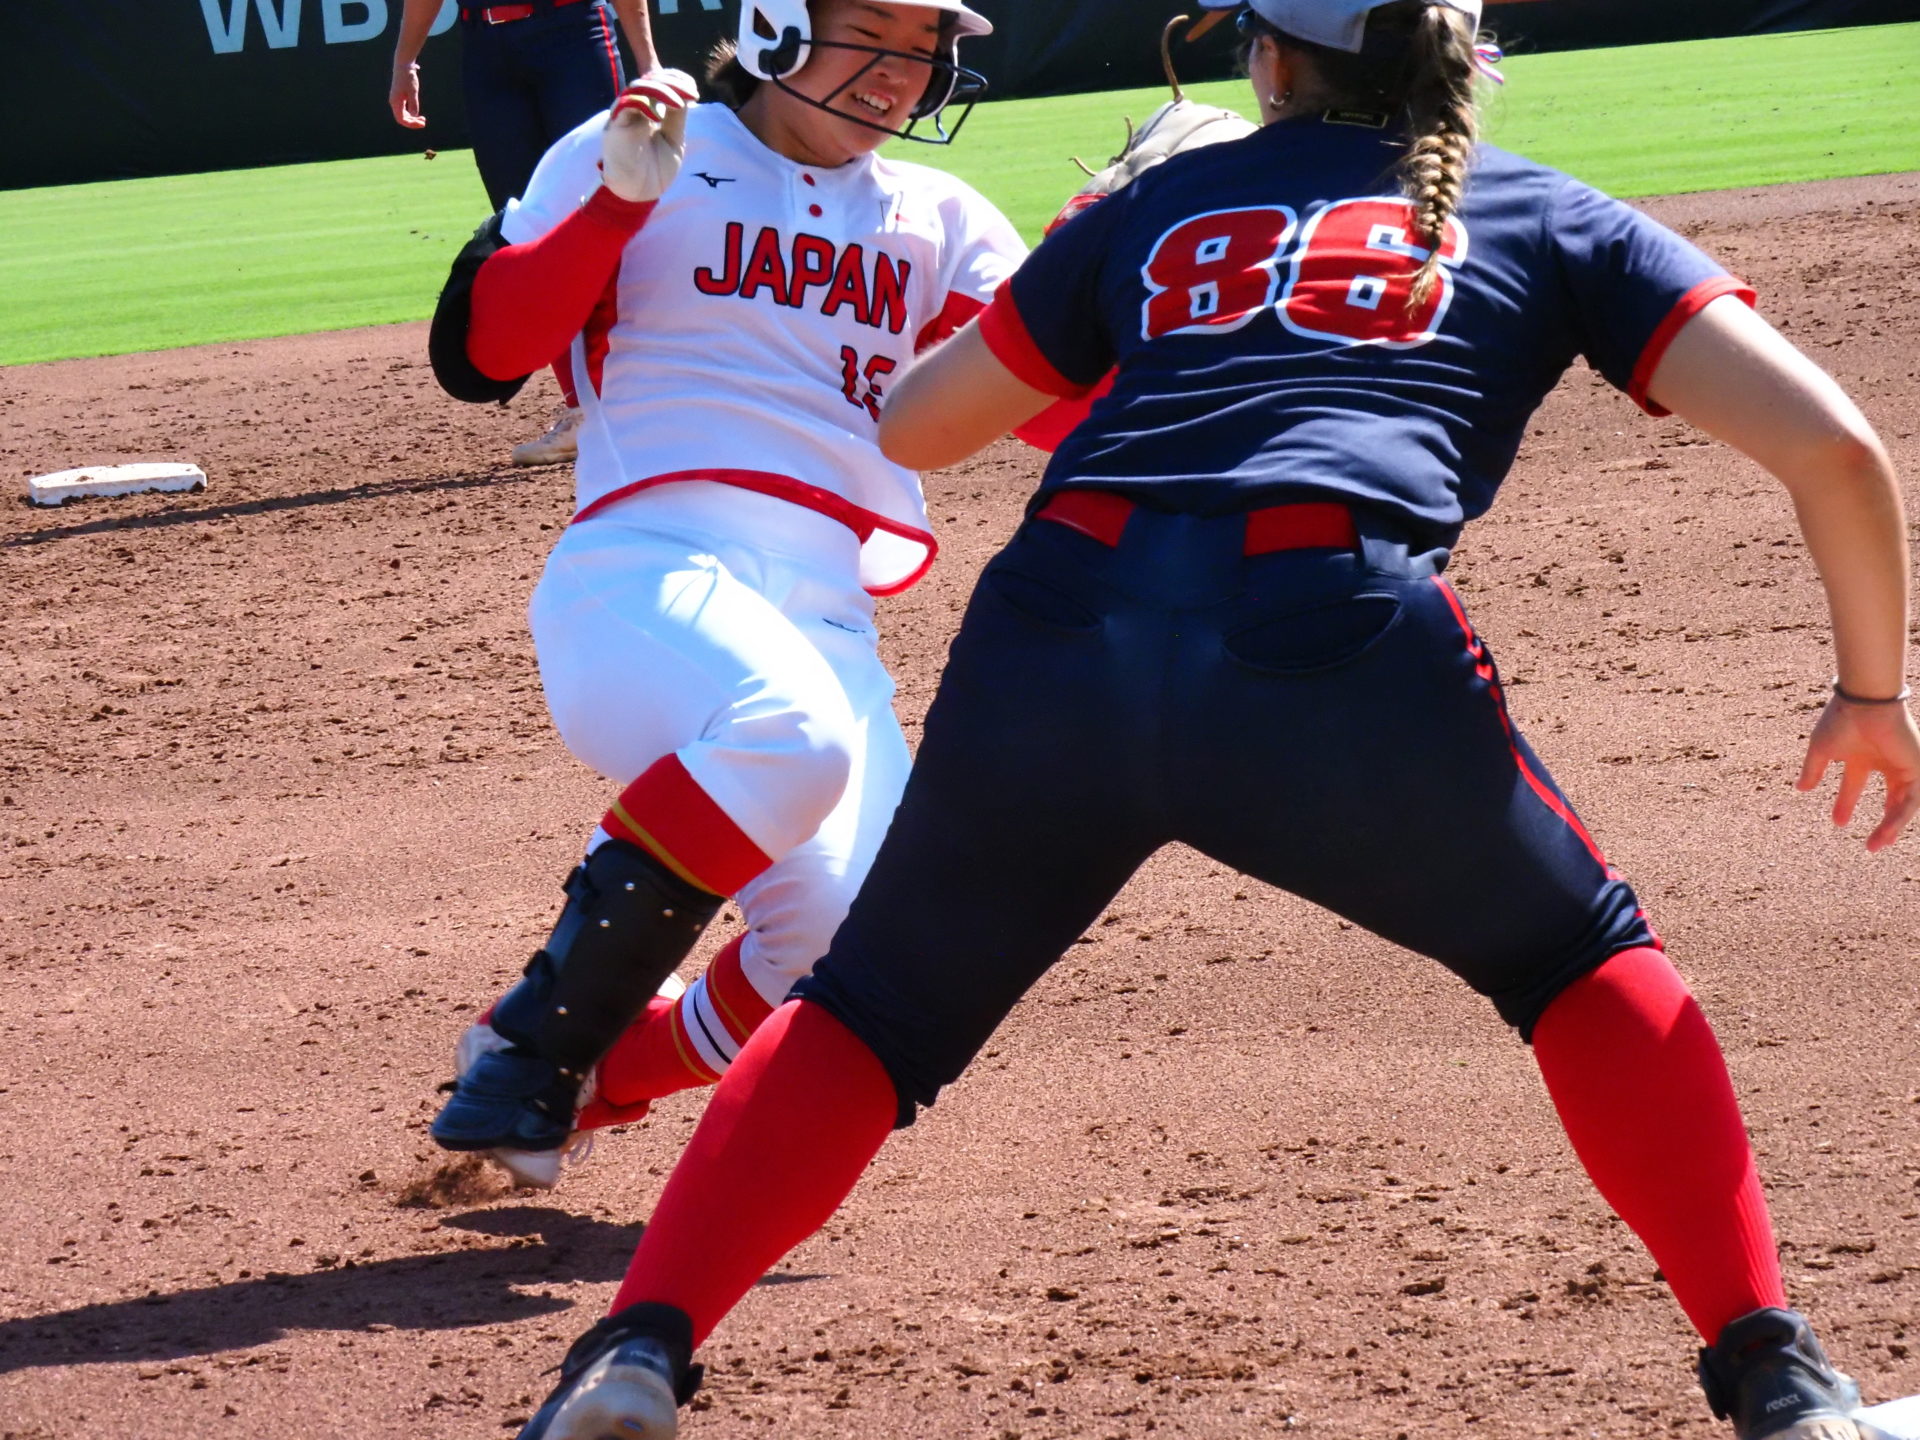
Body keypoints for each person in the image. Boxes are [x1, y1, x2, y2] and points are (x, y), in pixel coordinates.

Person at [499, 1, 1920, 1438]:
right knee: (1575, 958)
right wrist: (1873, 693)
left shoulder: (1167, 203)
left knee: (869, 1012)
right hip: (1330, 640)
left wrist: (1098, 233)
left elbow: (920, 424)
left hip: (1059, 628)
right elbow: (1837, 448)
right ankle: (1777, 1378)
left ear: (1270, 62)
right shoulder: (1551, 214)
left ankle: (635, 1355)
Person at [422, 0, 1027, 1199]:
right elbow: (482, 355)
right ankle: (537, 1045)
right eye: (873, 33)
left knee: (862, 947)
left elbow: (1058, 405)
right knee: (787, 733)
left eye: (924, 51)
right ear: (776, 23)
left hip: (828, 617)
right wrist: (615, 203)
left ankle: (590, 1079)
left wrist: (1113, 269)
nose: (901, 75)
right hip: (644, 575)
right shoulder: (657, 138)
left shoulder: (943, 218)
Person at [390, 0, 655, 465]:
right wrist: (405, 61)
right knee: (525, 231)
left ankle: (639, 394)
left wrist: (648, 62)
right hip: (487, 48)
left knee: (603, 213)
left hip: (573, 34)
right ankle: (582, 409)